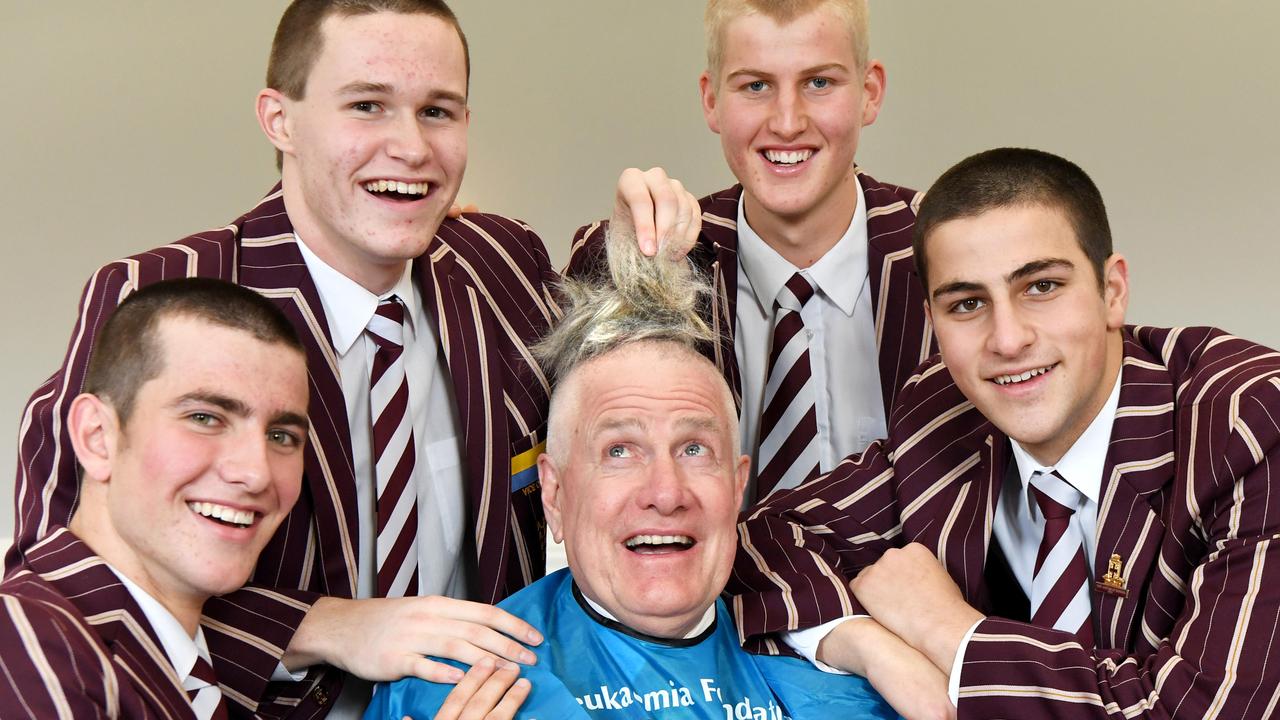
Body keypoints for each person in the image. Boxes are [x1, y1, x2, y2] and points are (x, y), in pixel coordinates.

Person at [9, 1, 696, 716]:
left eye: (438, 112)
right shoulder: (166, 295)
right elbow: (61, 580)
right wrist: (324, 626)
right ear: (279, 120)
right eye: (367, 105)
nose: (410, 148)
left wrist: (639, 243)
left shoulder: (502, 262)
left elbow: (609, 374)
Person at [730, 148, 1280, 718]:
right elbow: (756, 544)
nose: (1008, 339)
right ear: (934, 322)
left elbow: (1200, 711)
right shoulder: (944, 411)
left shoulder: (1252, 426)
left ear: (1112, 291)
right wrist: (865, 647)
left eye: (1040, 287)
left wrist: (948, 629)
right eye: (967, 303)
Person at [365, 224, 896, 719]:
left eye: (694, 449)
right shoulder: (446, 684)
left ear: (738, 486)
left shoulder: (843, 679)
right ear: (553, 493)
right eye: (620, 450)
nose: (665, 493)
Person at [568, 0, 934, 505]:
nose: (787, 122)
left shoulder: (946, 250)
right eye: (755, 86)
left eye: (819, 83)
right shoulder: (664, 254)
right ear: (712, 100)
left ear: (869, 93)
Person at [0, 279, 311, 718]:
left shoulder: (188, 669)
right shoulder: (21, 640)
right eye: (205, 417)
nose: (256, 473)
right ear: (98, 437)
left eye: (281, 435)